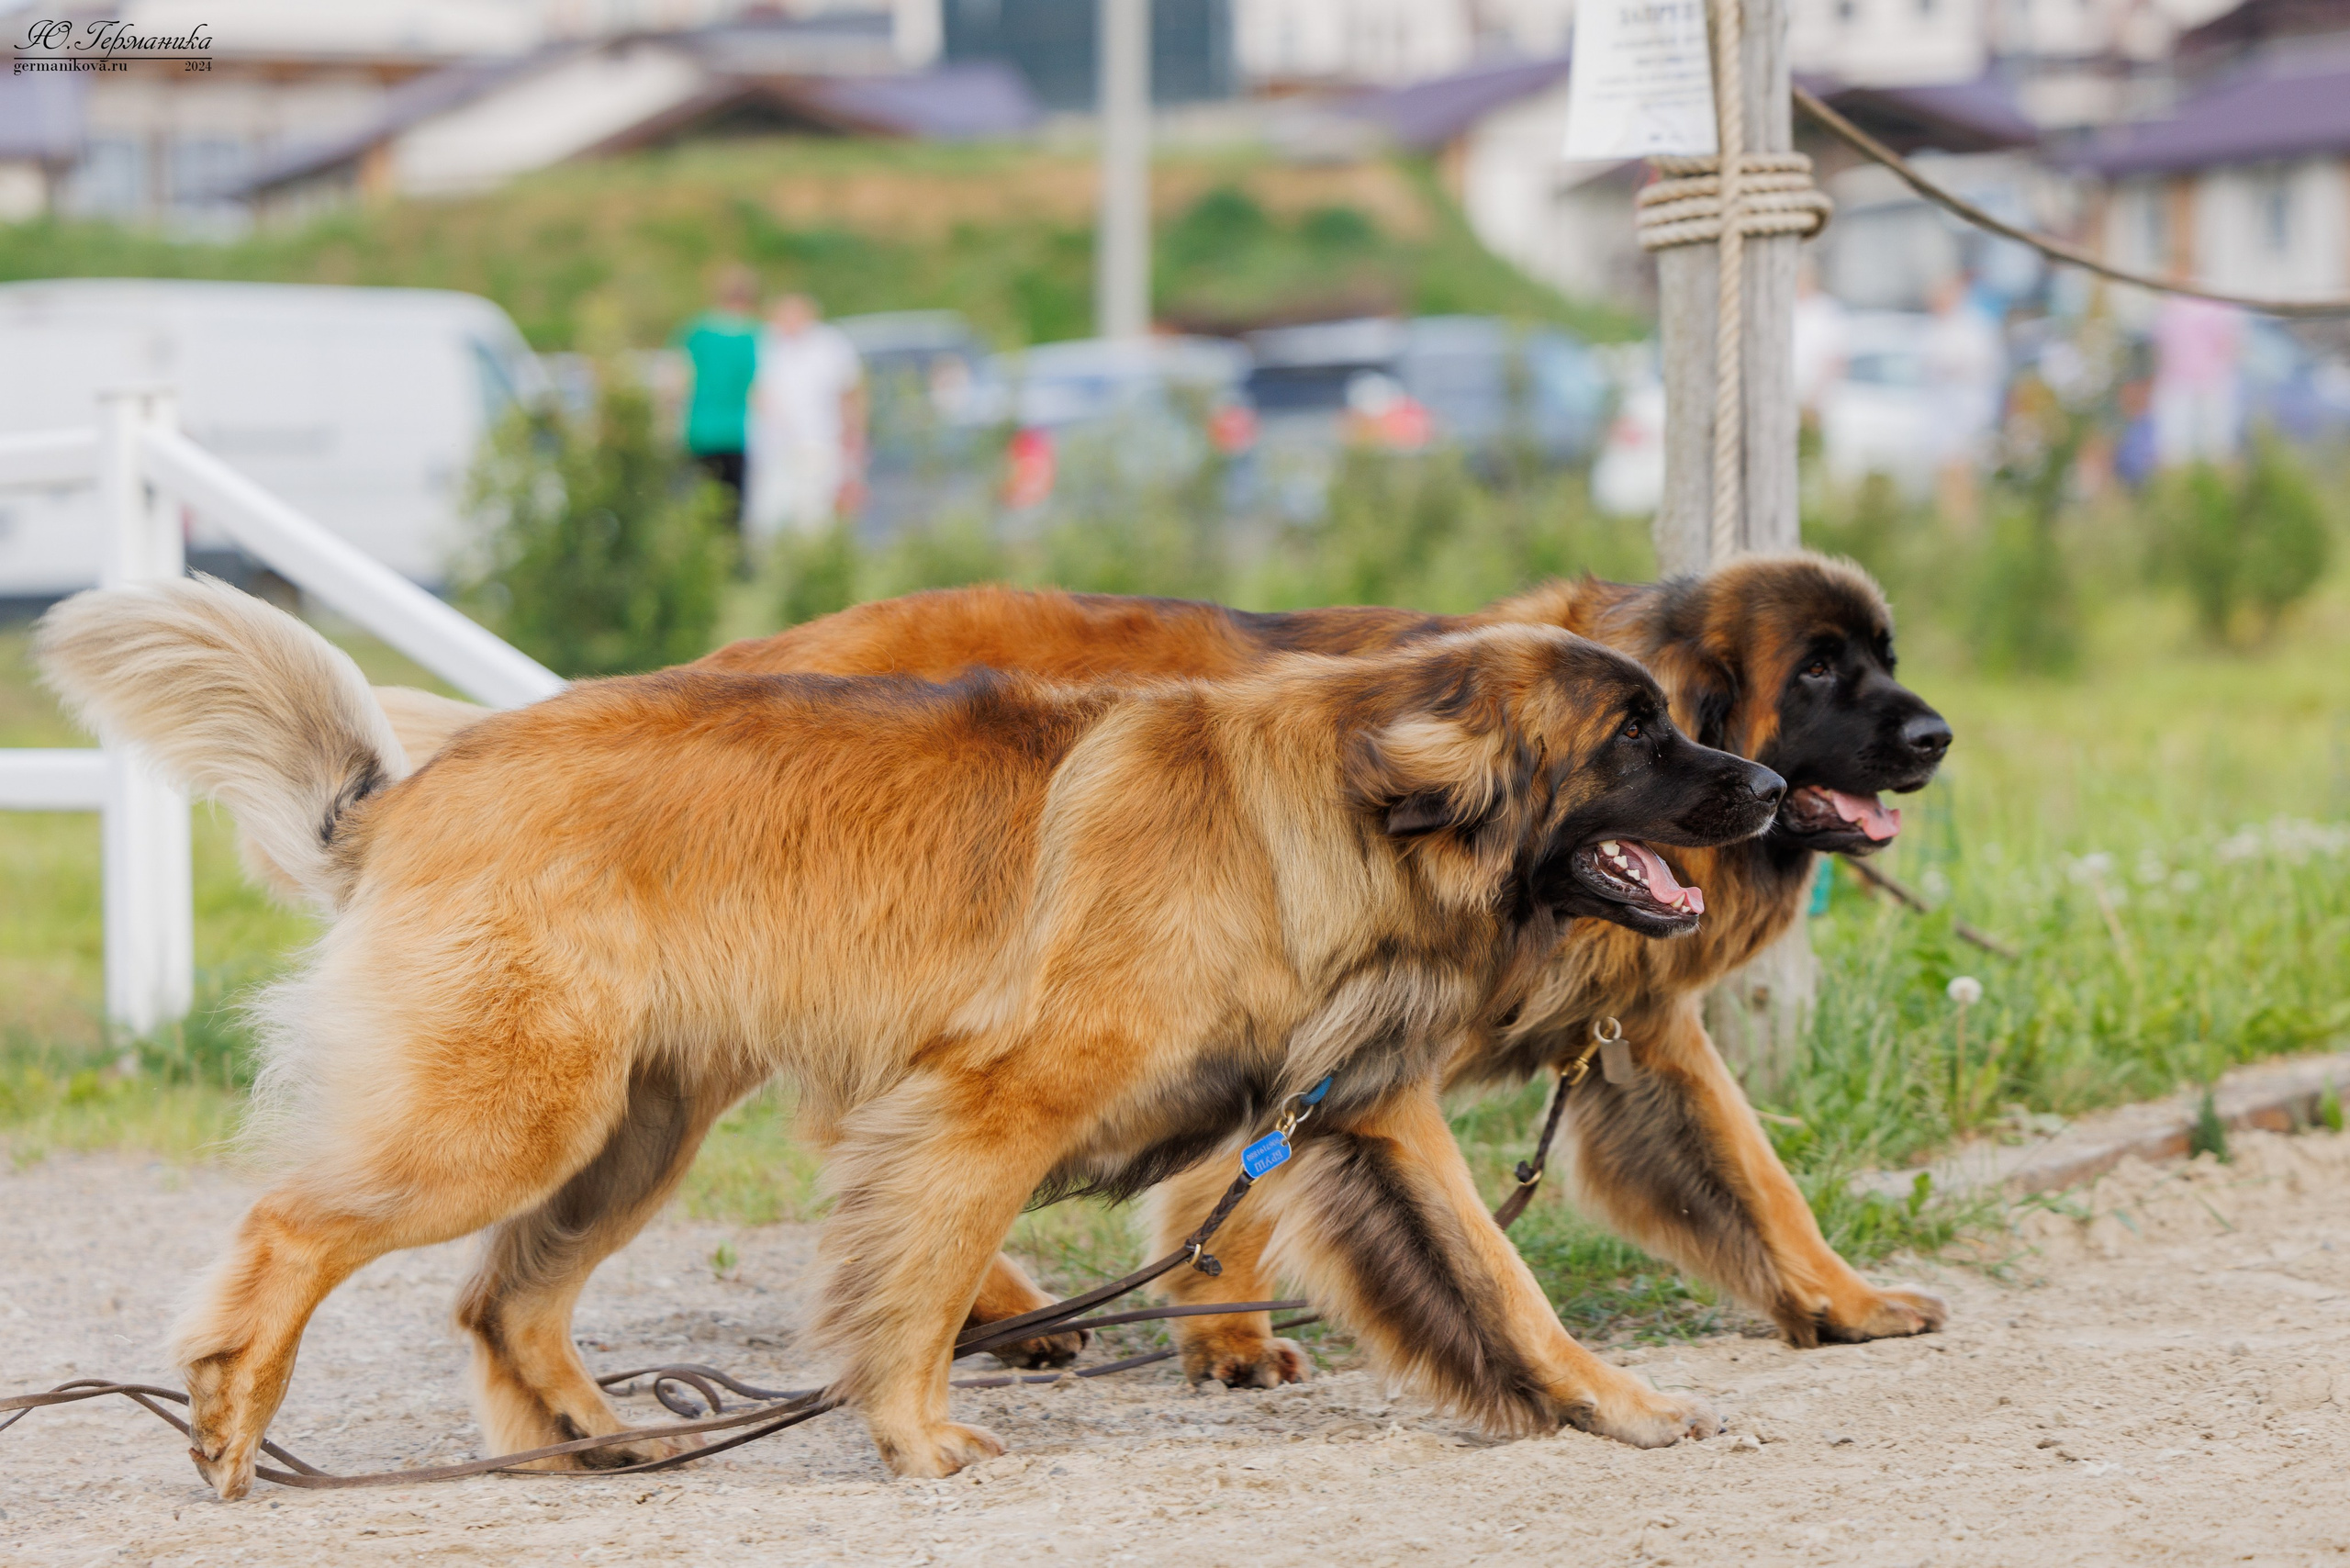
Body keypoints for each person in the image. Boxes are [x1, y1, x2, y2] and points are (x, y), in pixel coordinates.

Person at [745, 293, 867, 541]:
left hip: (819, 444)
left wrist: (853, 439)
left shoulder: (828, 344)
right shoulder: (765, 342)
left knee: (814, 521)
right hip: (772, 449)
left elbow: (848, 393)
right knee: (765, 522)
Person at [674, 265, 763, 532]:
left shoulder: (697, 331)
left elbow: (677, 381)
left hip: (701, 428)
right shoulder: (756, 334)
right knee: (738, 505)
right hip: (741, 430)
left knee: (704, 500)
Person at [2151, 294, 2244, 468]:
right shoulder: (2171, 307)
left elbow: (2229, 344)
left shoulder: (2215, 306)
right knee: (2176, 449)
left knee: (2216, 445)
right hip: (2180, 382)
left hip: (2211, 382)